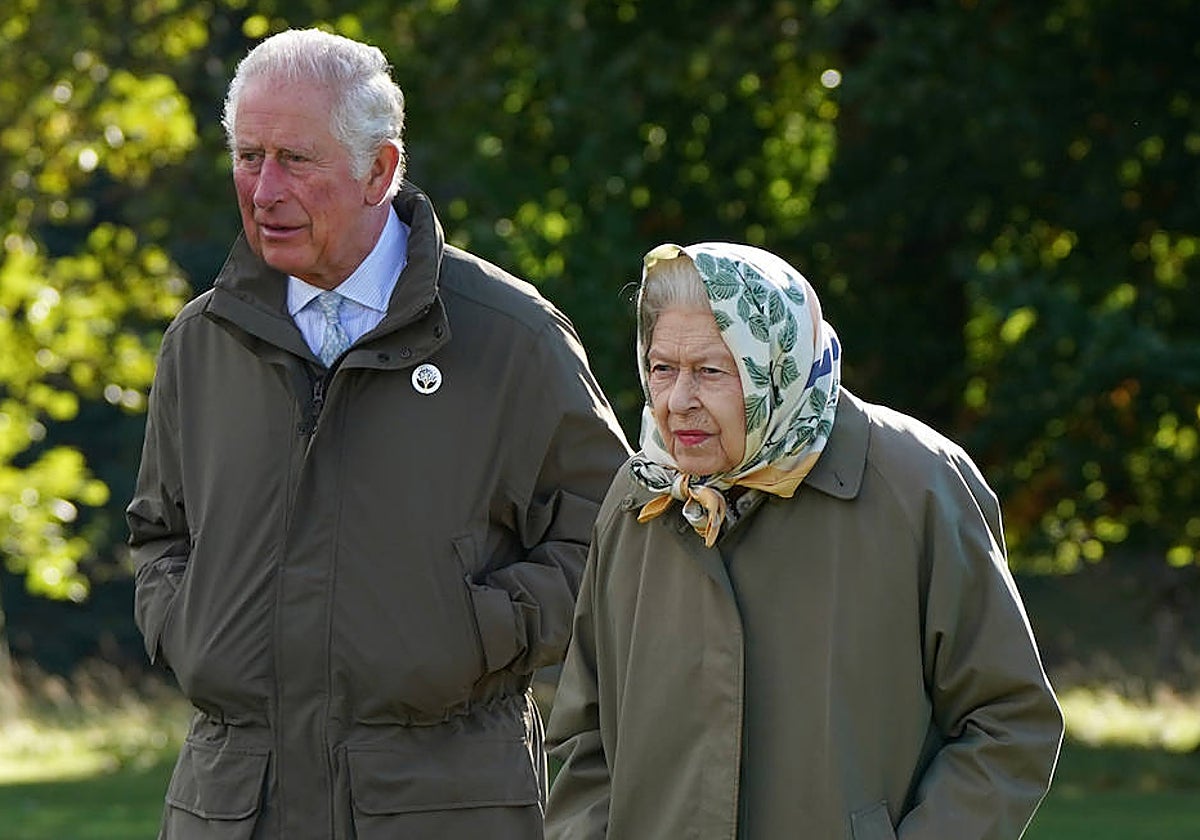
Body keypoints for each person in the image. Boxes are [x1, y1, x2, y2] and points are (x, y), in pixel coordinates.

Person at [126, 28, 631, 839]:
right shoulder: (203, 340)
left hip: (442, 804)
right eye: (249, 156)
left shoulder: (510, 336)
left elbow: (614, 531)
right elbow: (160, 532)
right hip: (231, 806)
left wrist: (474, 630)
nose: (263, 190)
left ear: (381, 171)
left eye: (296, 158)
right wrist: (190, 629)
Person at [544, 242, 1063, 839]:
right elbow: (588, 740)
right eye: (663, 368)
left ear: (776, 365)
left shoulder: (916, 485)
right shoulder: (640, 496)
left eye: (711, 371)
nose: (677, 401)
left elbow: (1008, 721)